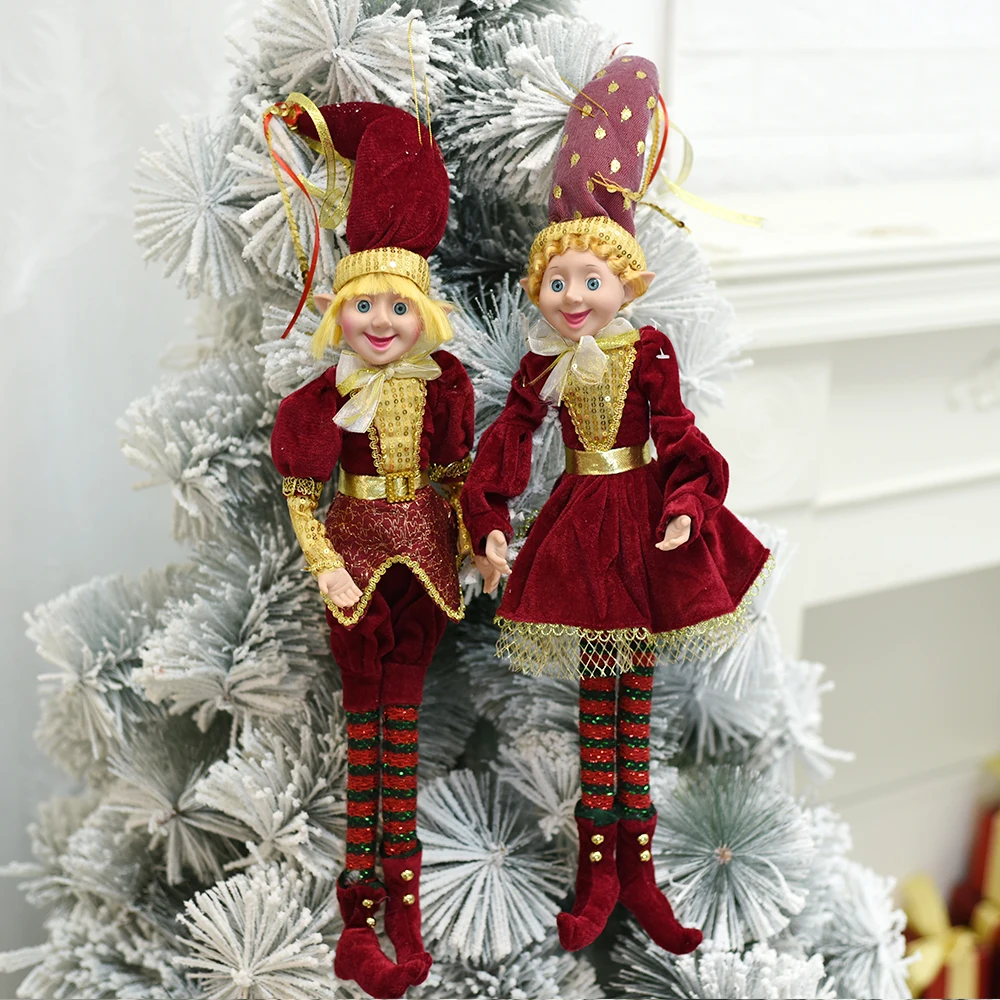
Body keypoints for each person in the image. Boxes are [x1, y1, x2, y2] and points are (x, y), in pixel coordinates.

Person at [461, 55, 771, 955]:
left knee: (636, 706)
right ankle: (599, 872)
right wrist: (489, 523)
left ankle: (641, 870)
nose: (573, 297)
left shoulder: (649, 353)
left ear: (627, 286)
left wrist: (686, 505)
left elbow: (680, 436)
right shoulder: (543, 365)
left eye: (590, 280)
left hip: (641, 526)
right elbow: (511, 440)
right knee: (598, 705)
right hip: (580, 528)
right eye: (558, 282)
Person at [270, 99, 473, 999]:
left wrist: (478, 539)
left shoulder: (443, 386)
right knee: (368, 729)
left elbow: (457, 476)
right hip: (354, 560)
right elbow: (300, 495)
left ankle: (407, 906)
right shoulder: (323, 401)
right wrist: (324, 563)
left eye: (398, 306)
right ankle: (359, 915)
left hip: (424, 562)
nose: (381, 321)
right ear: (338, 312)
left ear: (423, 312)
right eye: (363, 305)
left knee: (403, 726)